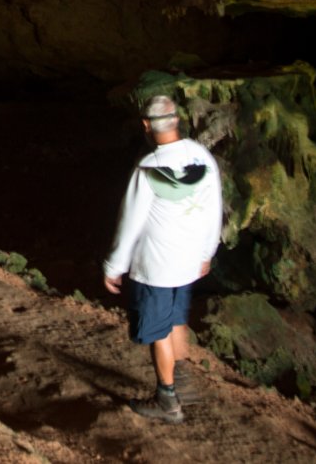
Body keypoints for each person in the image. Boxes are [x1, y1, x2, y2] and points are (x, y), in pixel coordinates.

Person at [103, 95, 223, 424]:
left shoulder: (149, 168)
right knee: (175, 320)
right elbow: (214, 210)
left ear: (146, 125)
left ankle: (167, 398)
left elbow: (130, 224)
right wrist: (206, 252)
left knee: (157, 331)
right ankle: (181, 377)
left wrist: (114, 267)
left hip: (156, 267)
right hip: (187, 263)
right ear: (176, 120)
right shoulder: (202, 157)